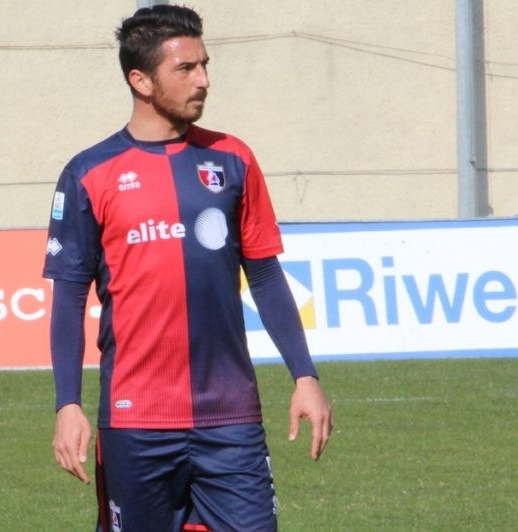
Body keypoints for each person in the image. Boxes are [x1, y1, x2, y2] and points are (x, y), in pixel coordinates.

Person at [42, 5, 333, 531]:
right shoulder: (89, 173)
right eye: (185, 68)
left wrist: (305, 376)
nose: (203, 80)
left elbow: (265, 276)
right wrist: (68, 404)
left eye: (204, 65)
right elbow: (68, 299)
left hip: (231, 417)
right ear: (141, 80)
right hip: (135, 420)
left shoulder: (233, 159)